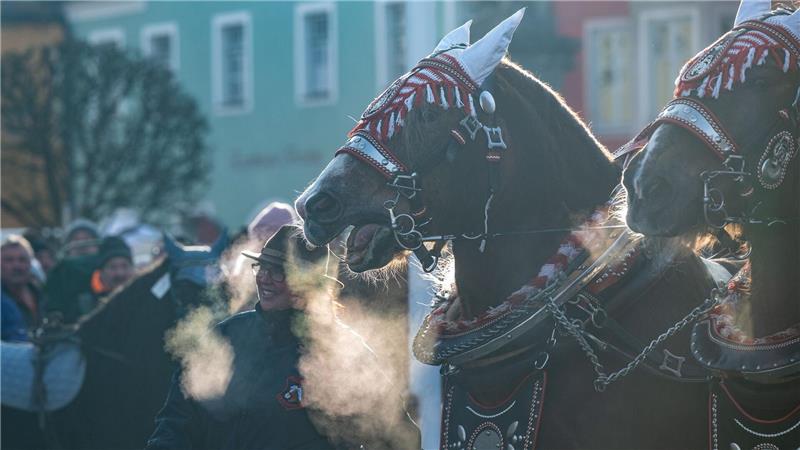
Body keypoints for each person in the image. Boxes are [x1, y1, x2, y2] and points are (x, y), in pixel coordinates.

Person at [145, 225, 338, 450]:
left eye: (278, 271)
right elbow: (177, 420)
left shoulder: (339, 353)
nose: (264, 278)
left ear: (308, 283)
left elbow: (362, 438)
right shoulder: (225, 336)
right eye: (261, 267)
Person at [45, 235, 135, 323]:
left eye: (125, 266)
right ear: (101, 270)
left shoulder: (139, 293)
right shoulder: (79, 296)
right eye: (112, 267)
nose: (120, 273)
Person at [1, 235, 42, 341]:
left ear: (30, 263)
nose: (16, 266)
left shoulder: (42, 295)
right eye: (9, 260)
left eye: (22, 259)